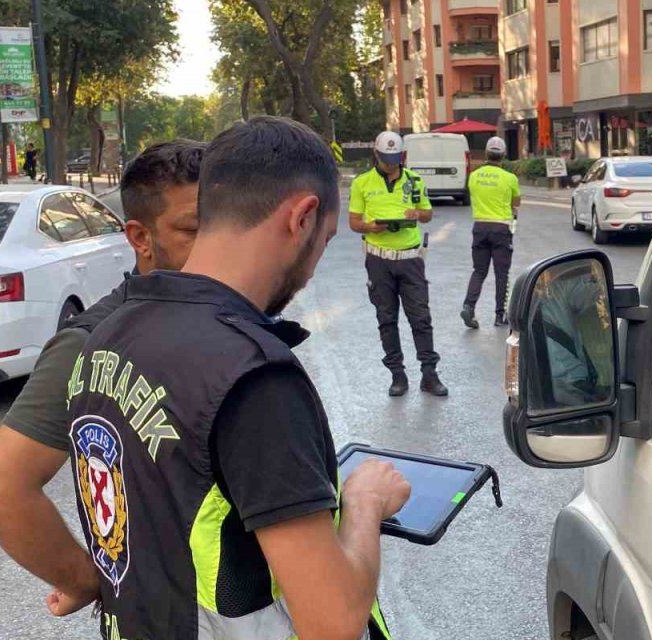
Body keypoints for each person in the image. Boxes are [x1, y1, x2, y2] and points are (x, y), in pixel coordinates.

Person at [63, 116, 409, 640]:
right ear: (302, 217)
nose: (316, 262)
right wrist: (364, 501)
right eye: (325, 240)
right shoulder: (252, 376)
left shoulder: (108, 334)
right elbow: (332, 621)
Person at [0, 140, 204, 619]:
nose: (217, 249)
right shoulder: (91, 341)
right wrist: (85, 581)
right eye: (193, 231)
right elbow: (0, 491)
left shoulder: (222, 316)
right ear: (140, 239)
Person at [349, 130, 448, 397]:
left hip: (410, 259)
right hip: (378, 260)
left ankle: (429, 374)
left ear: (401, 156)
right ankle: (397, 375)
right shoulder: (362, 183)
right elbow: (354, 222)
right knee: (386, 318)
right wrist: (372, 227)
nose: (390, 164)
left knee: (421, 318)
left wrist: (417, 213)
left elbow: (427, 214)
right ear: (376, 155)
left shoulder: (414, 181)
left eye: (395, 158)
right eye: (385, 159)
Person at [461, 136, 520, 329]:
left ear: (486, 154)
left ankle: (468, 306)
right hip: (501, 228)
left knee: (479, 271)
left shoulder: (474, 176)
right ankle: (499, 315)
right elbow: (516, 203)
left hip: (480, 228)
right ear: (503, 155)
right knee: (502, 274)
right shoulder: (510, 178)